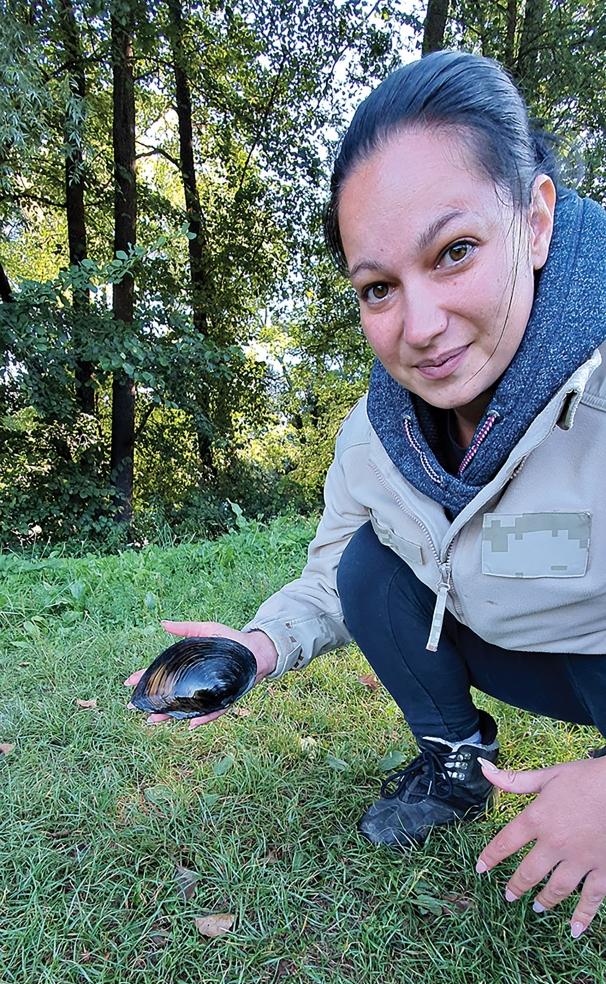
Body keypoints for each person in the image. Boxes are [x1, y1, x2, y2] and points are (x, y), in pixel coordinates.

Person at [127, 50, 606, 938]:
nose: (419, 327)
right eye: (379, 288)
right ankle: (456, 761)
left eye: (454, 251)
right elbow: (330, 579)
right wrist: (259, 646)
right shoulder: (372, 437)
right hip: (512, 639)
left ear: (536, 222)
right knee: (365, 567)